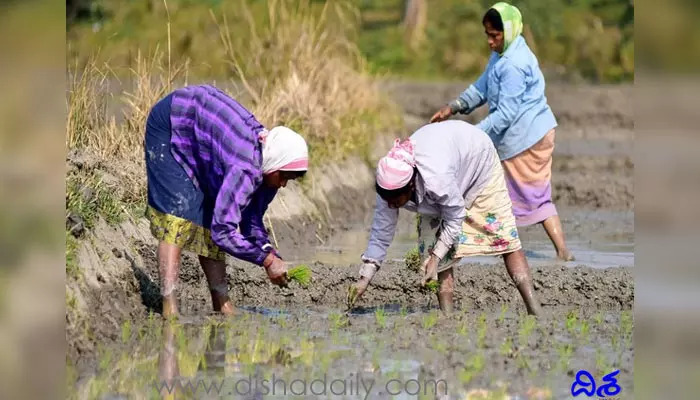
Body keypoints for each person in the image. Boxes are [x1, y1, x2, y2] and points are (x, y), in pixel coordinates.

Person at [144, 84, 309, 317]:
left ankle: (222, 304)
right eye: (284, 177)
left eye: (289, 179)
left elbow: (250, 220)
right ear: (277, 164)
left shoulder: (269, 168)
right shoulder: (245, 169)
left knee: (213, 215)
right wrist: (266, 261)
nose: (283, 184)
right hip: (173, 123)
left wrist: (269, 251)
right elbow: (223, 232)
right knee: (176, 219)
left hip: (203, 140)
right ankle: (169, 308)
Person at [348, 120, 542, 316]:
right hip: (448, 166)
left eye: (396, 201)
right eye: (387, 200)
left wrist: (436, 257)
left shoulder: (436, 177)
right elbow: (381, 233)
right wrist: (364, 279)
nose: (391, 205)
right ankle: (446, 317)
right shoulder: (388, 187)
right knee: (435, 245)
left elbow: (455, 214)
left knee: (505, 237)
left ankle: (534, 310)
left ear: (411, 186)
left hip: (478, 163)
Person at [429, 2, 574, 261]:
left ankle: (556, 252)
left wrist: (471, 136)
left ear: (509, 32)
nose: (489, 41)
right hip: (520, 136)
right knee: (516, 192)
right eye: (487, 35)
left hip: (528, 138)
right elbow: (482, 87)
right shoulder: (501, 55)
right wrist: (454, 107)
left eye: (494, 35)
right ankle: (539, 250)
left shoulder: (514, 64)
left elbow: (506, 114)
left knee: (525, 193)